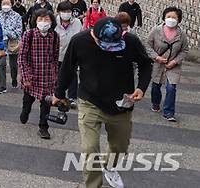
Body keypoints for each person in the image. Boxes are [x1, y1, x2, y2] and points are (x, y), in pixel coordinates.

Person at [54, 17, 152, 188]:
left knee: (120, 145)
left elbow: (145, 64)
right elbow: (67, 68)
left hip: (121, 103)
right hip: (90, 101)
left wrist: (141, 88)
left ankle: (109, 166)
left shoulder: (130, 40)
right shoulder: (79, 41)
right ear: (95, 36)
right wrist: (59, 93)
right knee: (90, 149)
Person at [19, 9, 59, 139]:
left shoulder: (54, 36)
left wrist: (56, 76)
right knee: (28, 99)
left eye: (46, 19)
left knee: (46, 103)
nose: (43, 22)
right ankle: (25, 112)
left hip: (47, 77)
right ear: (35, 21)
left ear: (51, 21)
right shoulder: (28, 35)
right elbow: (22, 58)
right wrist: (25, 76)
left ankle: (43, 127)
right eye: (40, 19)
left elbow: (55, 57)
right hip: (32, 75)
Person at [145, 7, 190, 123]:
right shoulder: (156, 31)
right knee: (156, 86)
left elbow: (184, 50)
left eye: (174, 17)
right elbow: (148, 45)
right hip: (158, 64)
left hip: (173, 66)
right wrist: (156, 57)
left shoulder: (182, 35)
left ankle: (169, 112)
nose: (171, 19)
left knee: (171, 88)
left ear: (179, 19)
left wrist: (175, 61)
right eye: (168, 17)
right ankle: (155, 103)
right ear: (164, 18)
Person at [55, 1, 82, 106]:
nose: (66, 13)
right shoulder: (54, 22)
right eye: (63, 11)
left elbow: (79, 36)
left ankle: (72, 97)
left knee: (72, 75)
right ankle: (58, 95)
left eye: (68, 11)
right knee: (57, 75)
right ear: (59, 12)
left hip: (72, 54)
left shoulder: (77, 22)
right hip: (57, 54)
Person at [0, 0, 23, 90]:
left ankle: (14, 78)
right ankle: (2, 86)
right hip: (1, 43)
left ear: (11, 4)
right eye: (4, 4)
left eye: (8, 3)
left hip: (13, 43)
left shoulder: (17, 16)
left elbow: (19, 31)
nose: (6, 5)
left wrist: (8, 33)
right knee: (1, 63)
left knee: (13, 65)